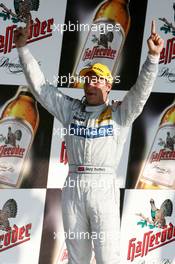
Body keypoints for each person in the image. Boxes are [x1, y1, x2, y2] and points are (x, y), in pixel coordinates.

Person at [14, 19, 164, 264]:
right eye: (87, 79)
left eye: (96, 79)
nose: (90, 83)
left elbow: (140, 93)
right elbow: (41, 88)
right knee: (77, 258)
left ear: (108, 86)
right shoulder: (70, 109)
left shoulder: (120, 113)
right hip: (74, 184)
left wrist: (153, 58)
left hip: (103, 184)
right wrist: (23, 49)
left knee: (108, 258)